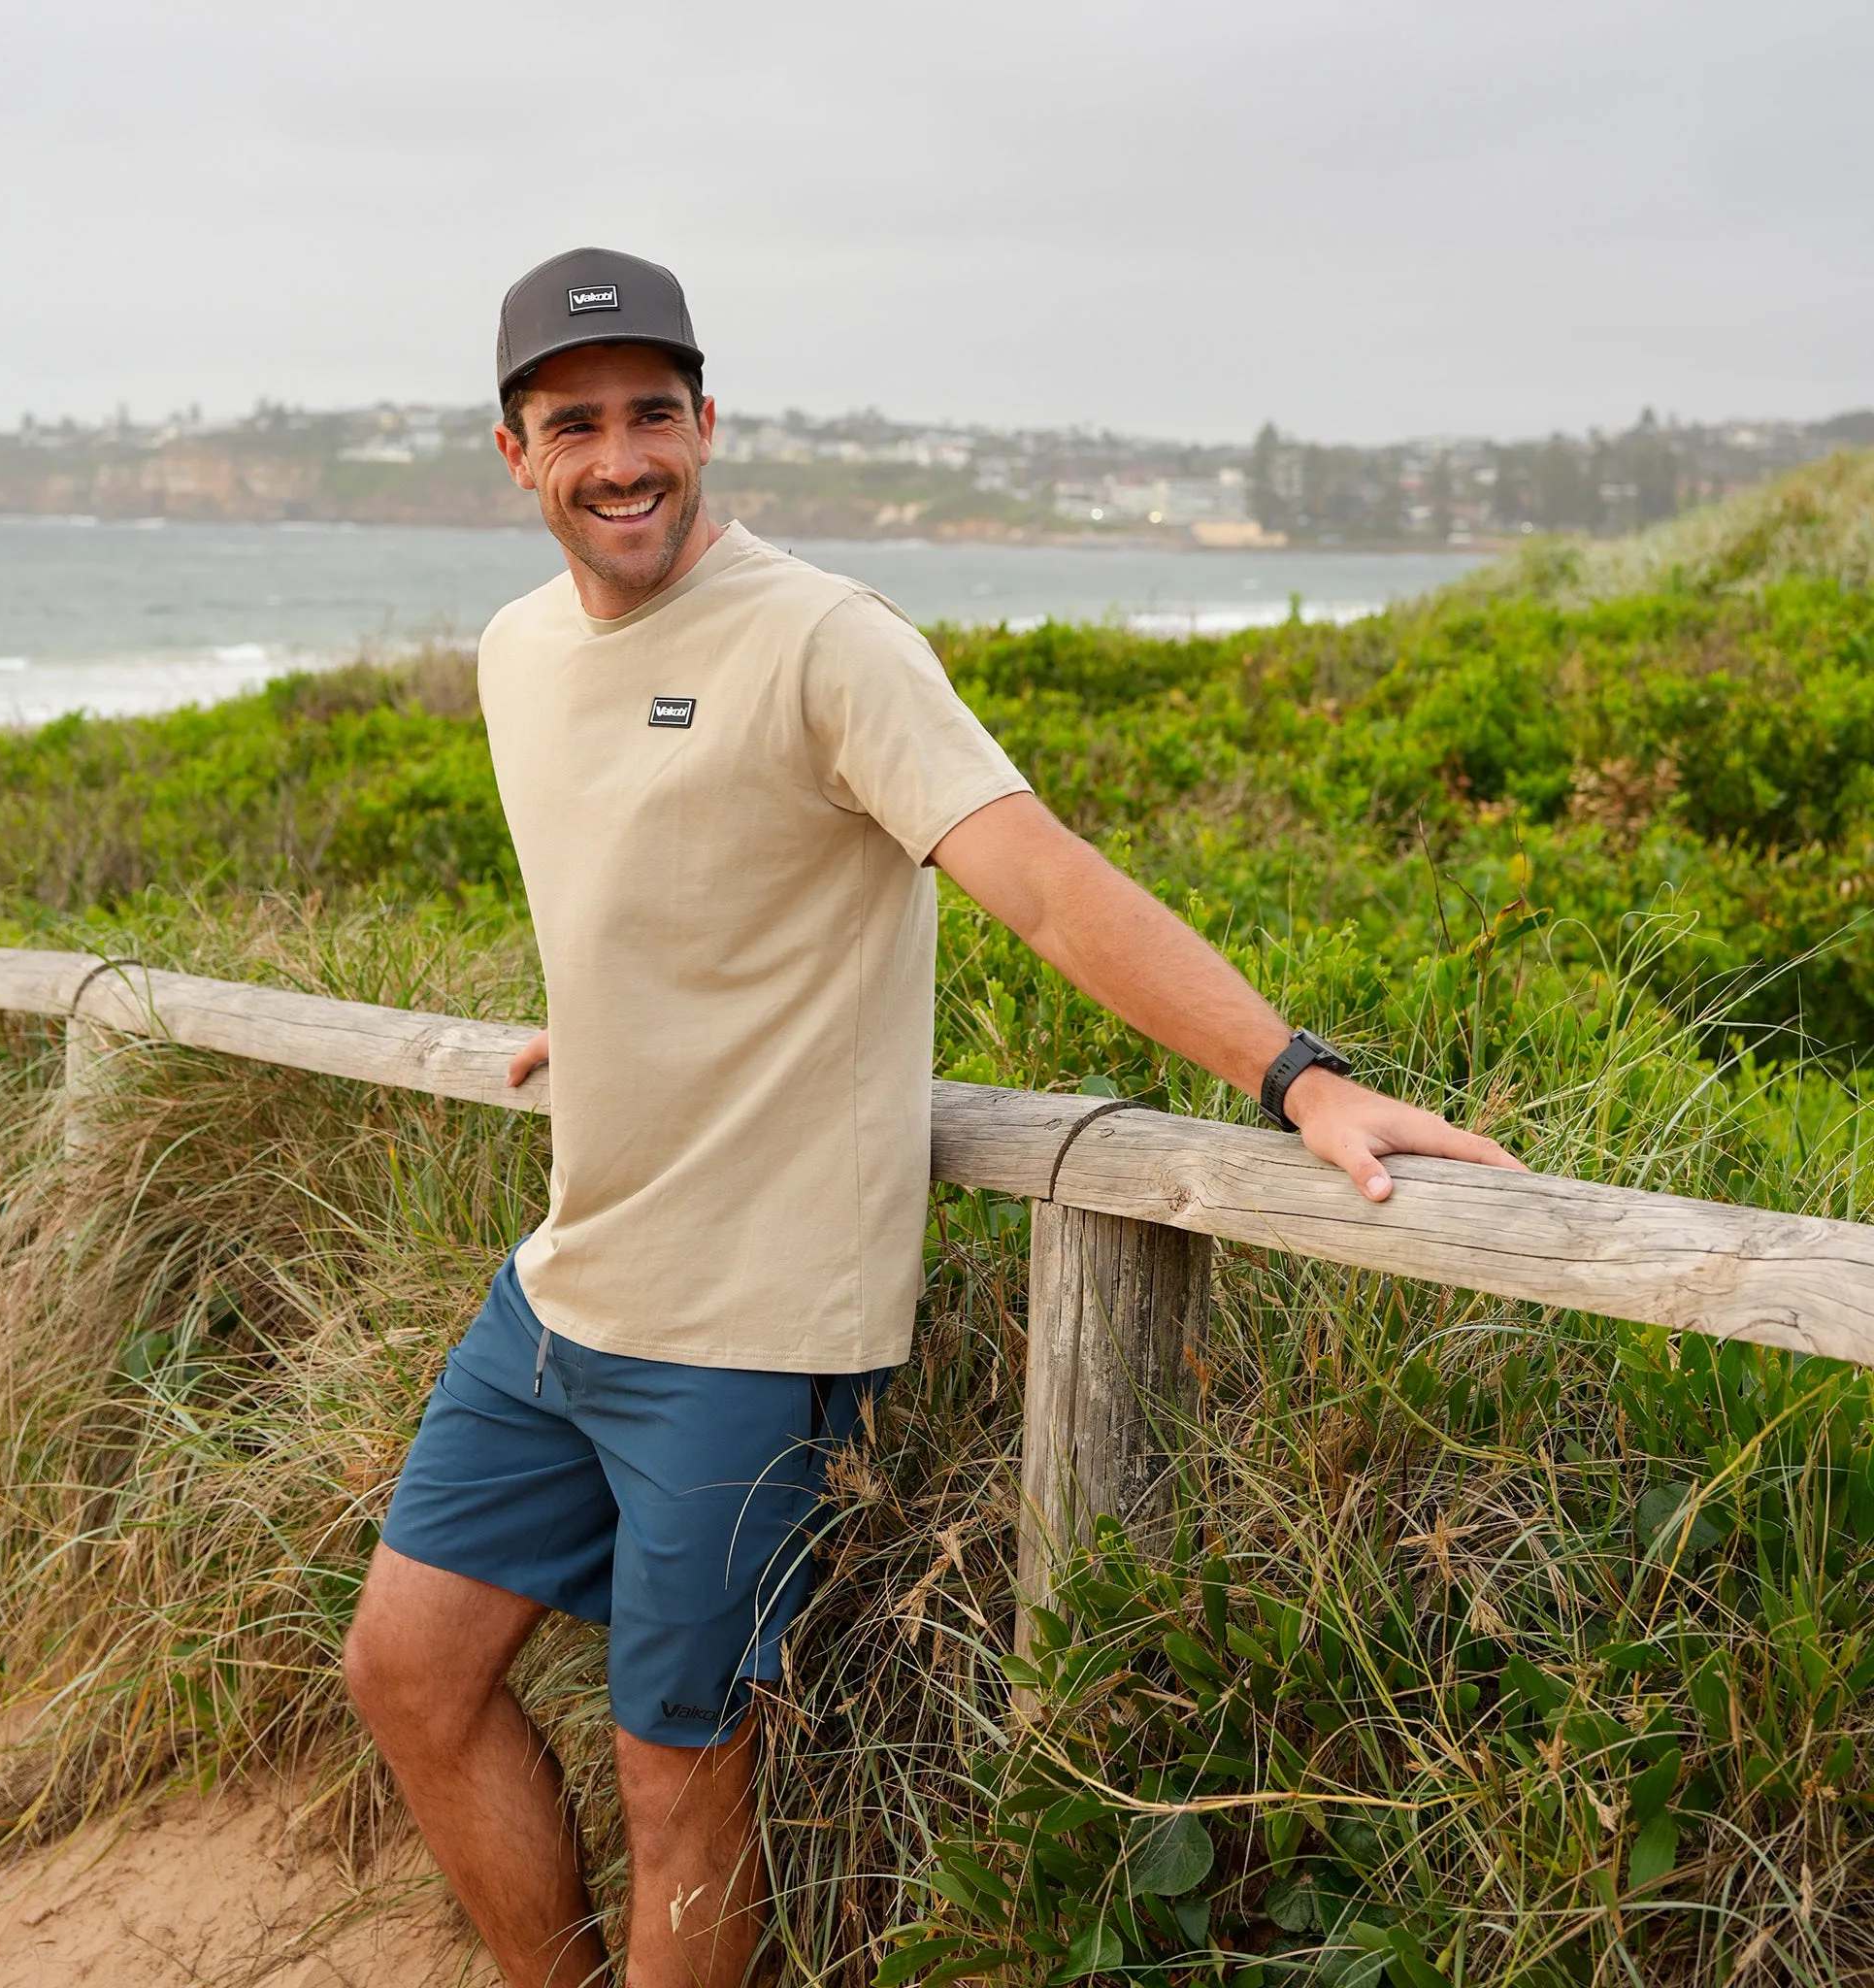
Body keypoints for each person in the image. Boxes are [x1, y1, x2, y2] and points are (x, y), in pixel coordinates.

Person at [341, 247, 1522, 1988]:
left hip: (746, 1332)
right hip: (566, 1286)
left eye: (652, 414)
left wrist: (1299, 1074)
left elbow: (1041, 883)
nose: (621, 459)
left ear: (707, 422)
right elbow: (664, 870)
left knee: (679, 1776)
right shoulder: (520, 652)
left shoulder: (827, 642)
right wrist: (601, 1020)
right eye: (573, 423)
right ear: (512, 453)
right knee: (405, 1673)